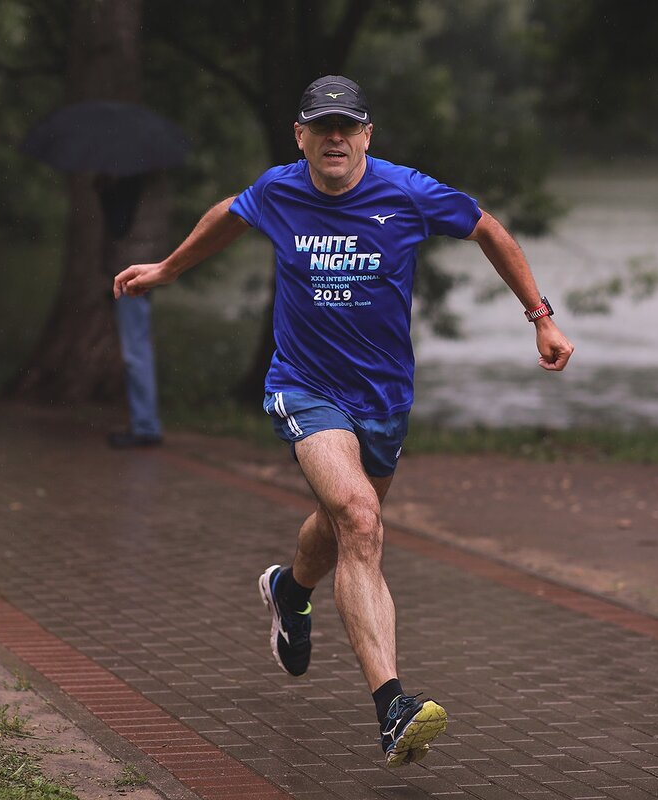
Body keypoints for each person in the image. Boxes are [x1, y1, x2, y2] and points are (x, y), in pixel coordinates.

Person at [113, 75, 573, 766]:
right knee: (359, 517)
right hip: (304, 386)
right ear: (300, 135)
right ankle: (393, 707)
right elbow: (229, 214)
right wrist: (170, 270)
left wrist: (540, 317)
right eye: (321, 127)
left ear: (366, 134)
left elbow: (487, 227)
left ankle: (288, 588)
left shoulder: (408, 193)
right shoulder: (277, 190)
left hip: (384, 397)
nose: (335, 138)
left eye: (347, 127)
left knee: (342, 524)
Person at [97, 174, 164, 449]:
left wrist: (104, 191)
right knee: (138, 346)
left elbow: (119, 222)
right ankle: (145, 423)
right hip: (147, 263)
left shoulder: (130, 178)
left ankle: (145, 426)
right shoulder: (156, 178)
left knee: (135, 350)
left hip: (131, 269)